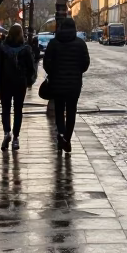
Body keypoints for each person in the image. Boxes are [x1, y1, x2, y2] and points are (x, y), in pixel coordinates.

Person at [43, 17, 90, 154]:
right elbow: (85, 64)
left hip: (57, 83)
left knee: (59, 110)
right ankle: (67, 139)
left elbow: (47, 63)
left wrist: (53, 73)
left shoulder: (53, 43)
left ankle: (61, 134)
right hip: (74, 84)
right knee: (71, 111)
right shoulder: (80, 44)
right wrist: (76, 71)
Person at [0, 24, 37, 151]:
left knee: (5, 109)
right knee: (18, 110)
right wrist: (29, 81)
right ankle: (16, 137)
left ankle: (7, 132)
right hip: (19, 83)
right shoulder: (25, 49)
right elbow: (31, 68)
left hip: (5, 83)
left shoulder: (2, 48)